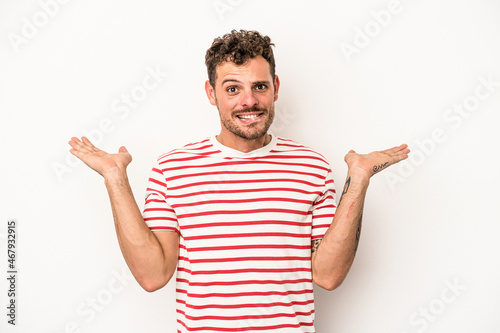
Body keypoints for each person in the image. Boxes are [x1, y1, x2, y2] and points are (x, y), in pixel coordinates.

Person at [69, 29, 409, 332]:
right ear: (211, 93)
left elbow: (328, 275)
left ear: (275, 88)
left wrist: (359, 178)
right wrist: (115, 177)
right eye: (233, 88)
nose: (249, 100)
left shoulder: (311, 167)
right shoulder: (171, 170)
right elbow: (152, 275)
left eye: (259, 86)